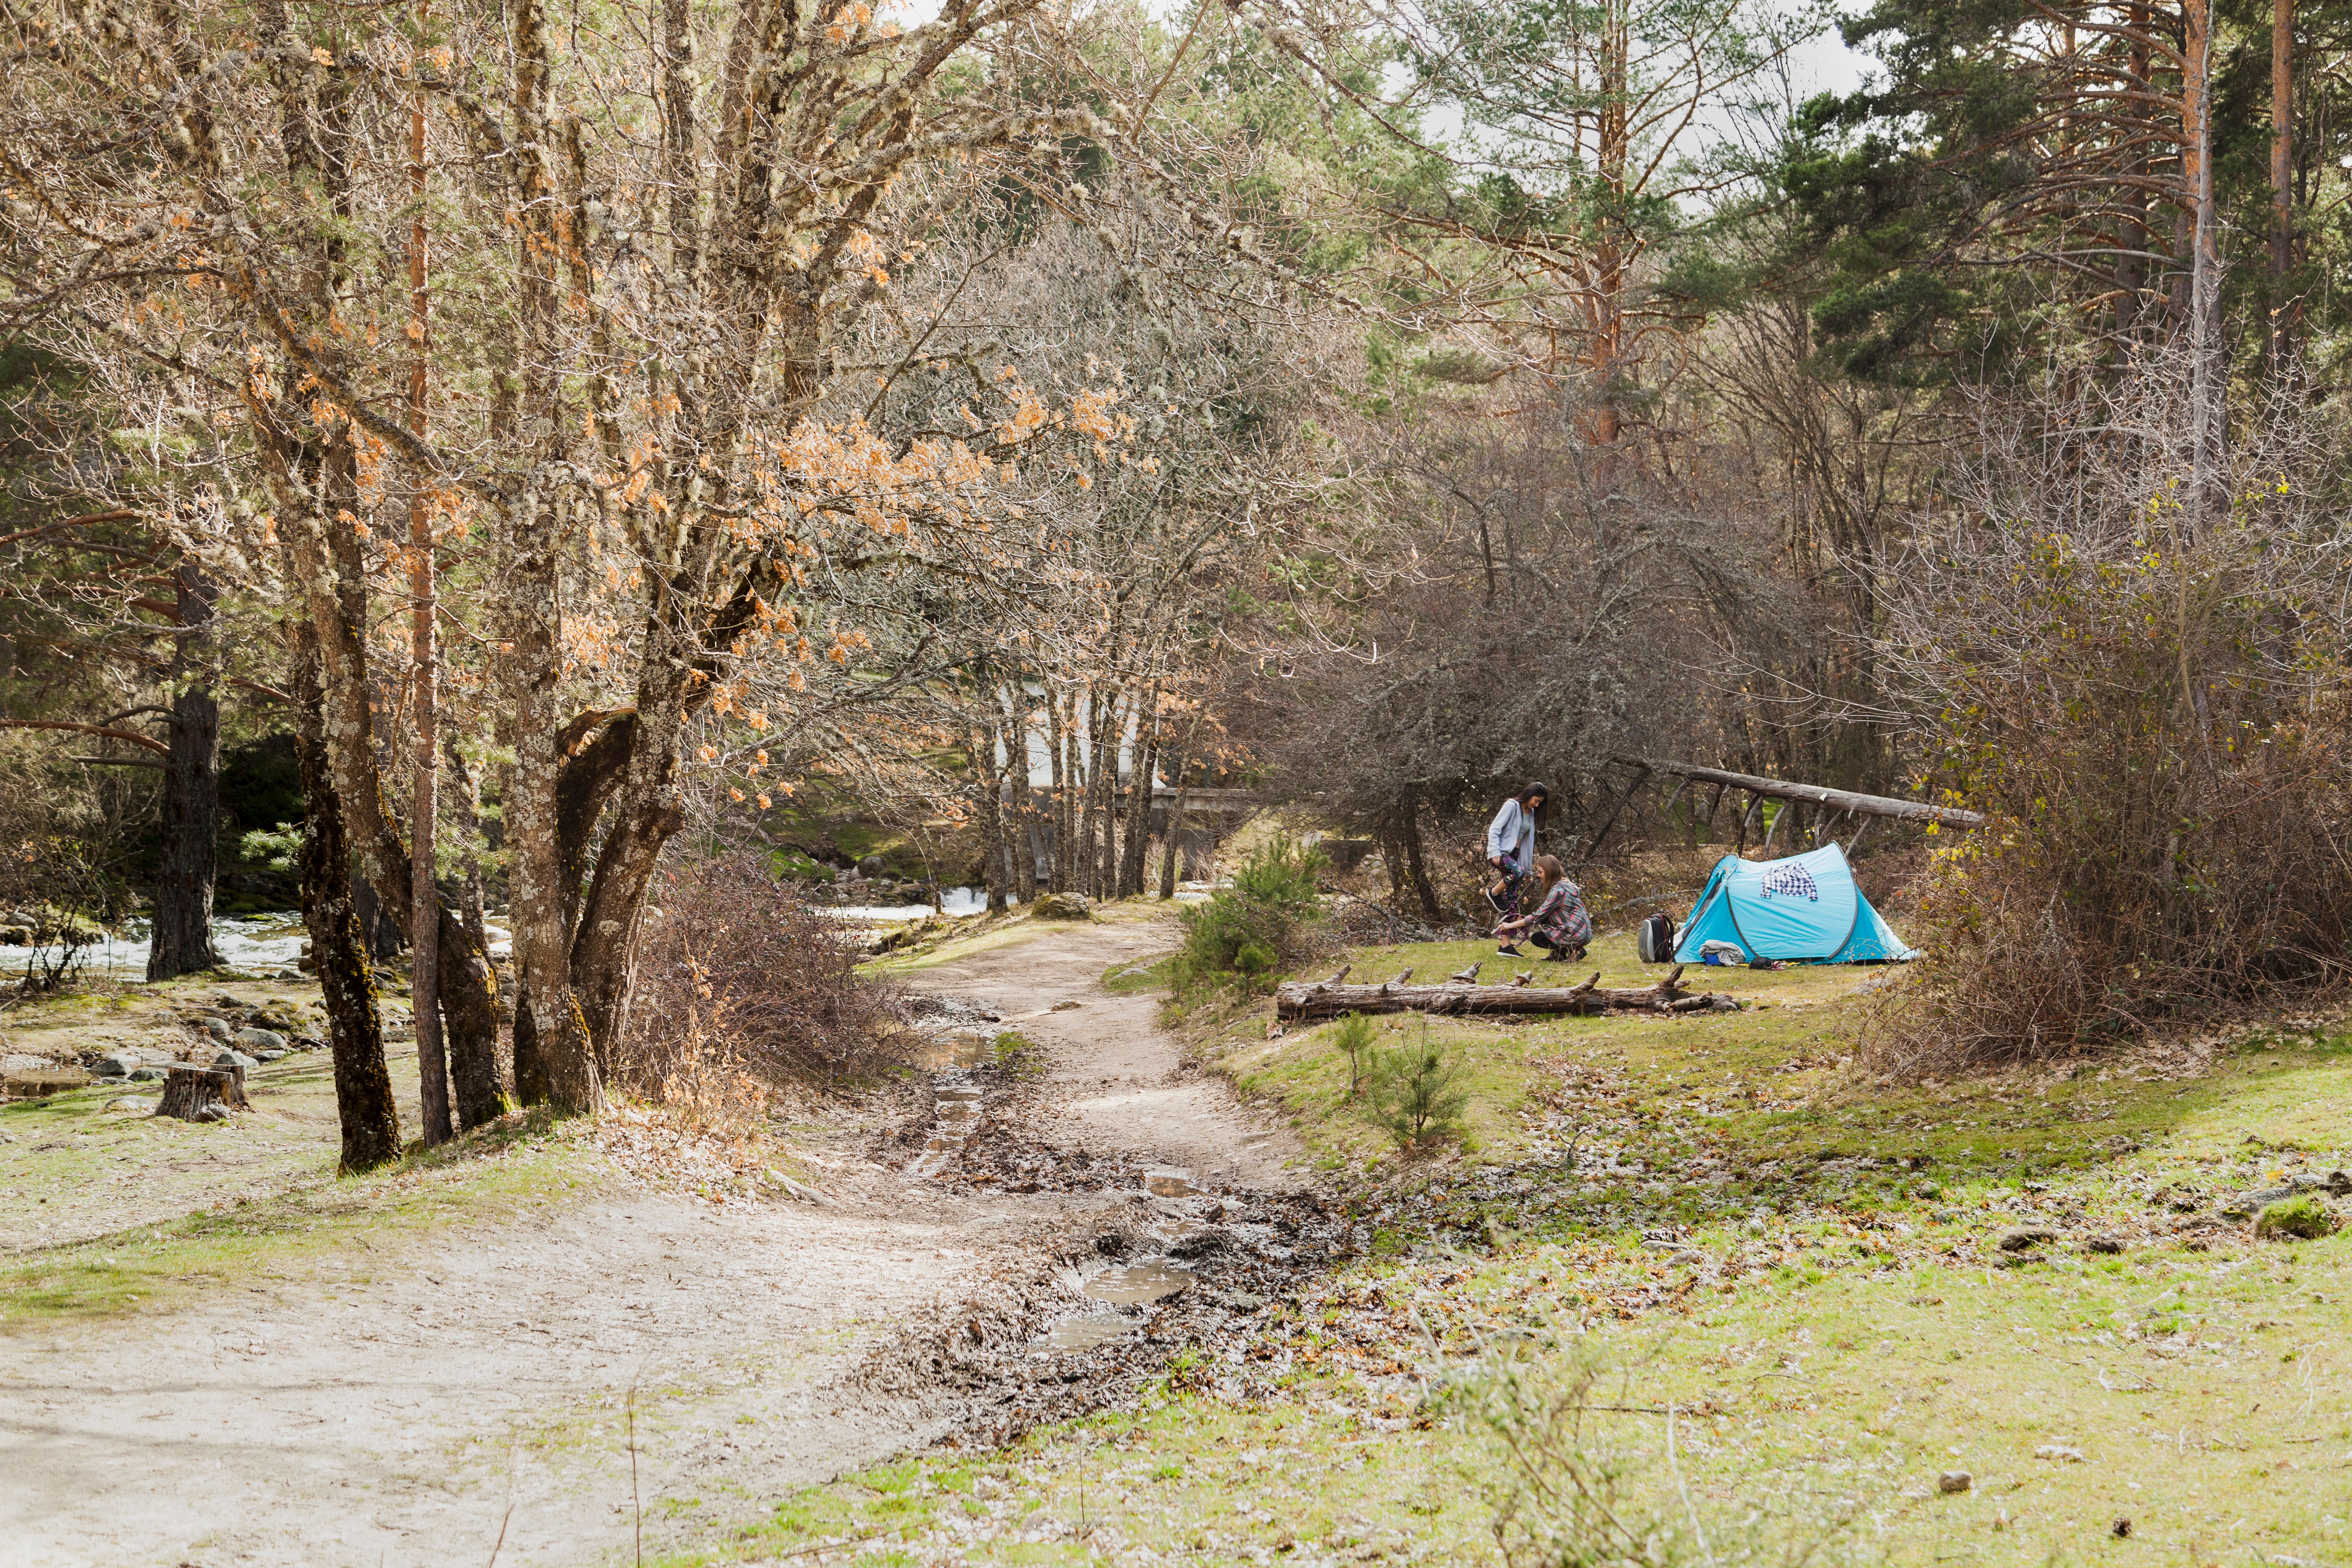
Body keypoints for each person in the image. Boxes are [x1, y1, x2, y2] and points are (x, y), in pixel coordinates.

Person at [1495, 854, 1591, 961]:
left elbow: (1537, 917)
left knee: (1538, 938)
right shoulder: (1565, 884)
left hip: (1577, 934)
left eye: (1541, 872)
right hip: (1582, 931)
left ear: (1550, 872)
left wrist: (1510, 925)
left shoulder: (1558, 891)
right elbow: (1542, 915)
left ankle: (1576, 950)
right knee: (1546, 918)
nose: (1538, 875)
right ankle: (1559, 954)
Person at [1484, 781, 1549, 916]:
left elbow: (1528, 843)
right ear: (1530, 794)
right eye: (1536, 801)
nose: (1537, 805)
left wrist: (1527, 869)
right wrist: (1495, 852)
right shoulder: (1512, 805)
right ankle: (1494, 893)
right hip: (1502, 853)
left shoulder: (1531, 813)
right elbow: (1495, 830)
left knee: (1512, 901)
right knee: (1518, 873)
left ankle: (1506, 933)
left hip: (1516, 856)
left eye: (1540, 803)